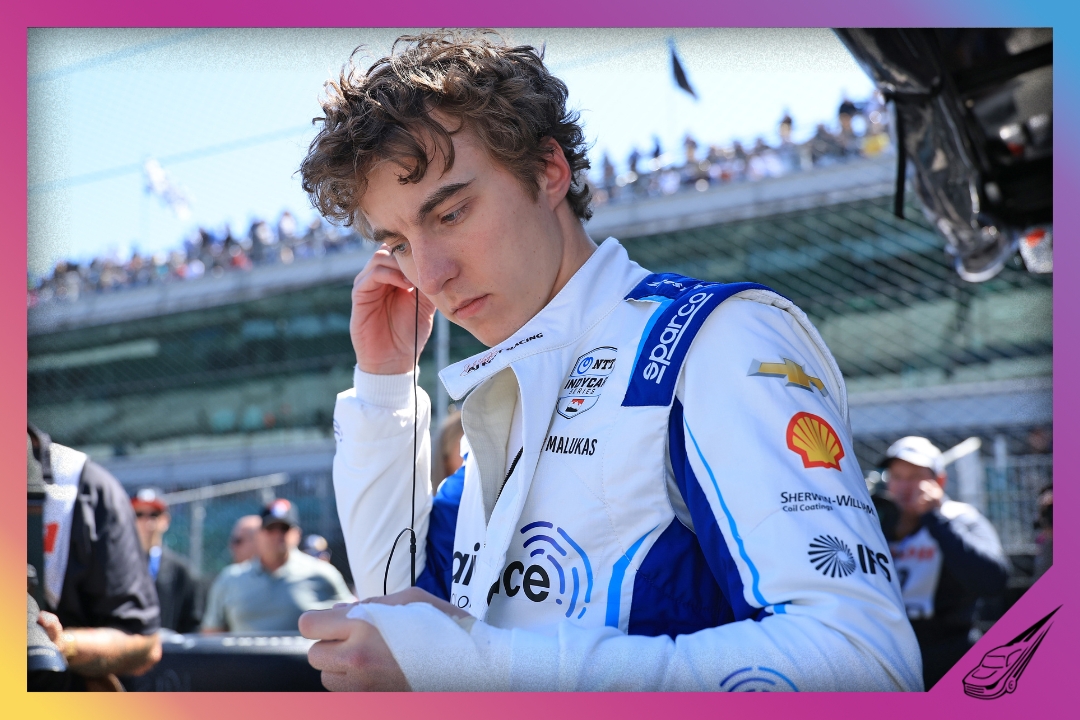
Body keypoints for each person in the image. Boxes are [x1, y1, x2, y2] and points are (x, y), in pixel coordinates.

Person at [296, 30, 921, 692]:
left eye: (449, 213)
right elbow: (401, 627)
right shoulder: (508, 394)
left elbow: (868, 666)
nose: (432, 274)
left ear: (548, 170)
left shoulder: (710, 339)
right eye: (397, 243)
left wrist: (489, 671)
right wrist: (386, 388)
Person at [27, 425, 161, 689]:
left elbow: (144, 644)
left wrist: (60, 644)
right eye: (142, 514)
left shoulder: (78, 485)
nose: (148, 521)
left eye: (153, 514)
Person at [882, 436, 1009, 689]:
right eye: (896, 476)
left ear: (939, 481)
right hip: (890, 651)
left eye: (915, 476)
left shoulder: (959, 518)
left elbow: (993, 579)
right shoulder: (877, 522)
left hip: (949, 649)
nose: (904, 486)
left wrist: (934, 518)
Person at [201, 499, 353, 633]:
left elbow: (352, 619)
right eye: (270, 528)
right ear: (258, 534)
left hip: (304, 664)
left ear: (296, 534)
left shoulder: (322, 574)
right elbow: (212, 632)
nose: (277, 535)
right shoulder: (231, 579)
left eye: (284, 529)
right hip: (244, 664)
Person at [131, 487, 203, 633]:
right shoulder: (115, 567)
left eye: (154, 515)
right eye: (139, 514)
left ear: (165, 520)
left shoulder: (181, 571)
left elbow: (192, 623)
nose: (147, 522)